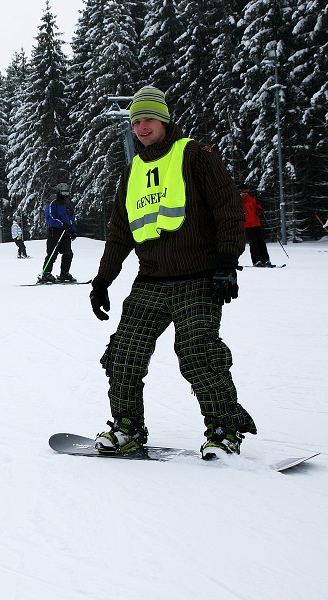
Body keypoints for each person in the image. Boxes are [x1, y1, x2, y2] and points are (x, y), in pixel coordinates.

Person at [88, 85, 256, 459]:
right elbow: (120, 232)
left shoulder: (196, 155)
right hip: (151, 280)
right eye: (135, 121)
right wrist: (102, 281)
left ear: (164, 119)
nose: (141, 127)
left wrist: (228, 262)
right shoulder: (131, 172)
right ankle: (127, 427)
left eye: (148, 118)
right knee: (123, 355)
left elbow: (228, 209)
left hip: (199, 277)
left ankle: (224, 430)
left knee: (198, 354)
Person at [37, 183, 77, 283]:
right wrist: (60, 224)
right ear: (59, 192)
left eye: (67, 192)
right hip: (55, 231)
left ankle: (64, 273)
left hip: (66, 232)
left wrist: (73, 230)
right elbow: (49, 218)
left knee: (68, 254)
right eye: (63, 192)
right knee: (52, 253)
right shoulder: (53, 204)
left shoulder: (69, 205)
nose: (65, 194)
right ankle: (46, 273)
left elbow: (71, 219)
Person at [241, 185, 274, 266]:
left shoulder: (252, 200)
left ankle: (265, 260)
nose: (245, 194)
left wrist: (260, 210)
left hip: (256, 223)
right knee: (253, 243)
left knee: (261, 242)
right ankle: (256, 261)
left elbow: (258, 206)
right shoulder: (238, 201)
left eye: (247, 192)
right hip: (247, 225)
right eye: (244, 192)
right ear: (241, 192)